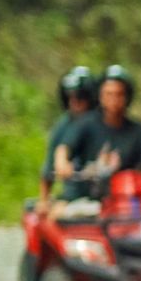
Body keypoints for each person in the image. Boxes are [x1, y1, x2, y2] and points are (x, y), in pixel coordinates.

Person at [53, 65, 141, 194]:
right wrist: (62, 162)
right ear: (100, 96)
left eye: (119, 94)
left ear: (127, 97)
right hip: (87, 198)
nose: (114, 100)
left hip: (127, 201)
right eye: (108, 94)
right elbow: (65, 147)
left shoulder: (137, 130)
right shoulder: (86, 124)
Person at [37, 66, 98, 207]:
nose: (74, 102)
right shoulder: (63, 126)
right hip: (75, 197)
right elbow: (49, 167)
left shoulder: (104, 122)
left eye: (80, 97)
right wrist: (44, 200)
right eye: (70, 97)